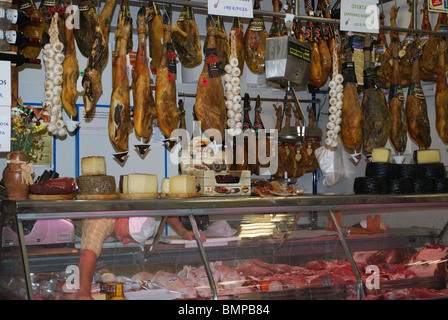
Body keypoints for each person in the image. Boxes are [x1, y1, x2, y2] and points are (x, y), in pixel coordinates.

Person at [76, 216, 206, 300]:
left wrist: (183, 232)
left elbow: (165, 209)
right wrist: (84, 292)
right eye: (127, 235)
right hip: (76, 237)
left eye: (129, 239)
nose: (125, 242)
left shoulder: (141, 207)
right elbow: (88, 253)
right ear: (125, 218)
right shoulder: (101, 221)